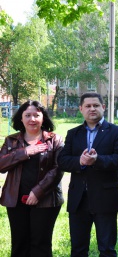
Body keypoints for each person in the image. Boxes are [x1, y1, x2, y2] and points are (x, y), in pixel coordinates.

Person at [58, 92, 118, 257]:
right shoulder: (73, 133)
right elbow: (62, 160)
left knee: (106, 249)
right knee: (78, 248)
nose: (92, 109)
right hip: (79, 198)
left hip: (106, 197)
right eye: (88, 106)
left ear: (103, 107)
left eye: (96, 105)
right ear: (81, 109)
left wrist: (97, 160)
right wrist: (81, 162)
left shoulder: (117, 132)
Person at [0, 100, 64, 256]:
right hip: (16, 201)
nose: (32, 119)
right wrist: (26, 152)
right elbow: (1, 165)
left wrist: (38, 192)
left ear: (43, 118)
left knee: (40, 244)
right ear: (21, 119)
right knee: (19, 244)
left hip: (46, 200)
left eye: (36, 115)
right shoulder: (11, 140)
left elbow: (59, 169)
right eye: (27, 115)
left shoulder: (55, 140)